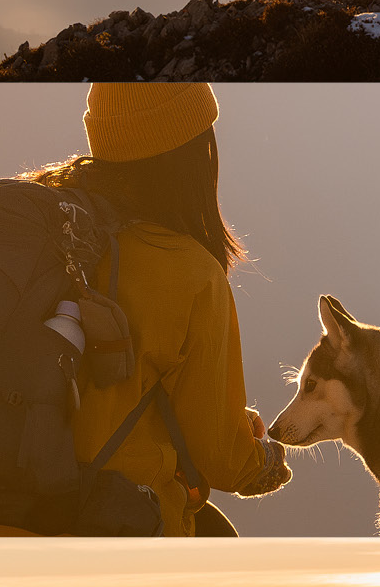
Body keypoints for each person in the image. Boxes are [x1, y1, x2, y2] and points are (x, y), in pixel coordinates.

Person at [26, 82, 290, 537]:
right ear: (192, 153)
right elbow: (225, 461)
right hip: (105, 521)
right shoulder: (187, 271)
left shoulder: (40, 229)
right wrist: (264, 460)